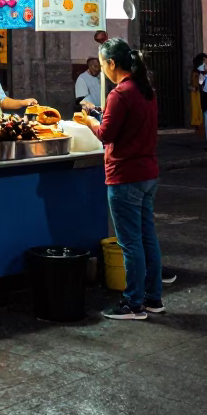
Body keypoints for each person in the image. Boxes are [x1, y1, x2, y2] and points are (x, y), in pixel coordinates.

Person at [75, 37, 162, 320]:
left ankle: (133, 303)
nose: (103, 70)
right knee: (147, 238)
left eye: (103, 65)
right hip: (148, 173)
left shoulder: (120, 93)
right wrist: (102, 115)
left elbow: (106, 134)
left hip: (125, 175)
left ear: (112, 63)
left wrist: (90, 121)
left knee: (130, 242)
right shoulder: (144, 89)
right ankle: (153, 298)